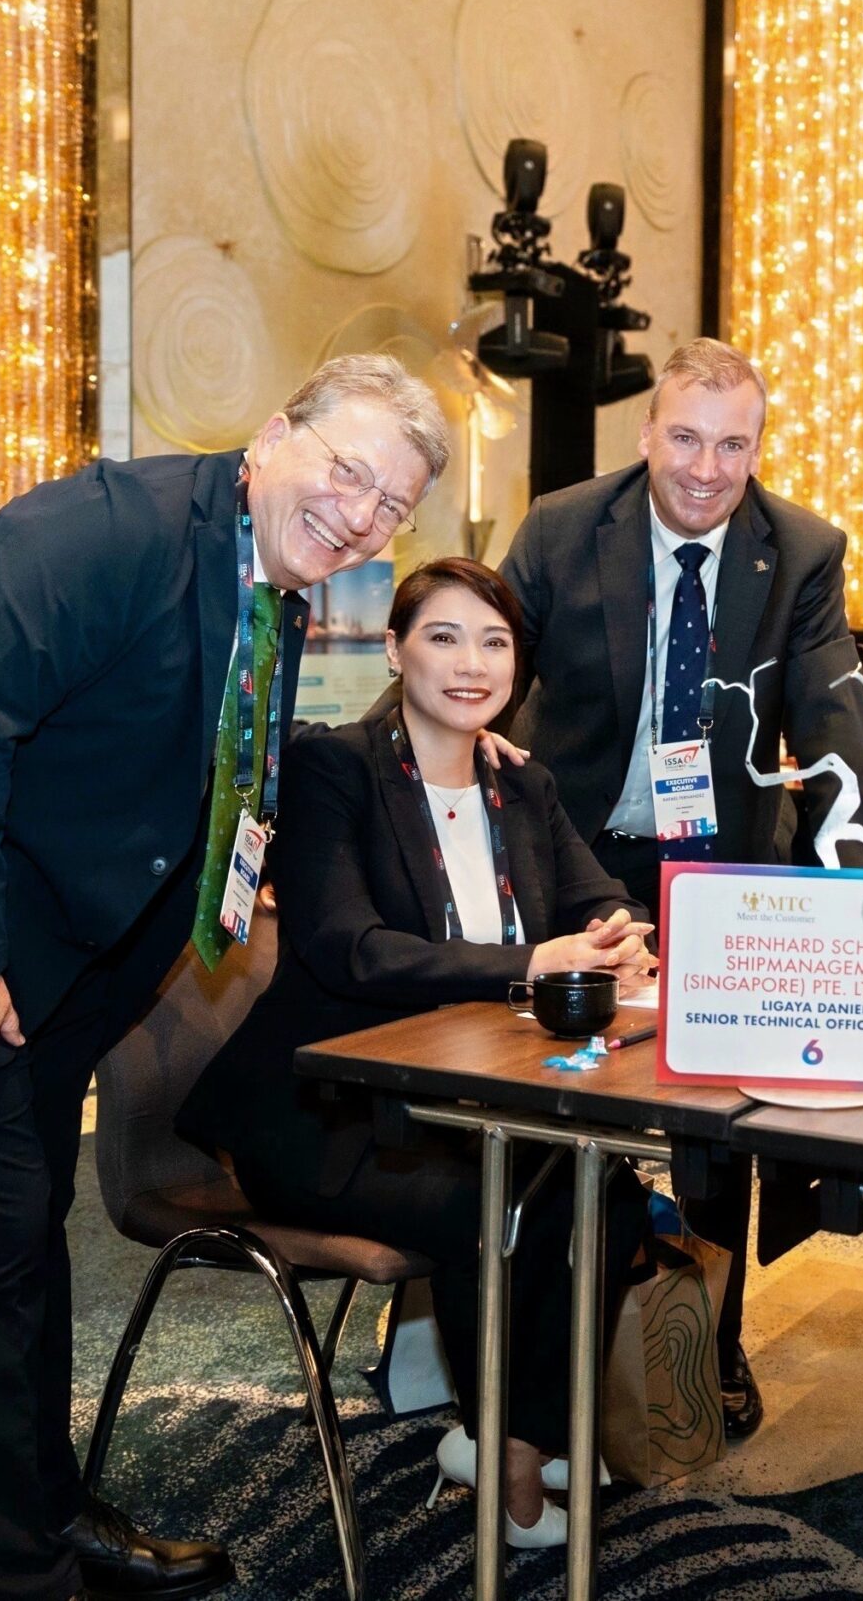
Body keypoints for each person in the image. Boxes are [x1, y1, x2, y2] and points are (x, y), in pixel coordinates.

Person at [0, 357, 450, 1601]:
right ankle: (20, 1577)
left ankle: (52, 1516)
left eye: (390, 504)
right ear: (273, 435)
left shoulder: (272, 583)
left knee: (26, 1232)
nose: (358, 515)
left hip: (53, 963)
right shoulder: (100, 532)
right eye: (347, 471)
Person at [176, 558, 654, 1549]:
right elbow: (349, 947)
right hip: (326, 1113)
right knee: (502, 1204)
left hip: (472, 1093)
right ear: (395, 651)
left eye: (494, 642)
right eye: (444, 636)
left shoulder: (522, 783)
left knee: (604, 1191)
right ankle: (514, 1470)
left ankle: (517, 1434)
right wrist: (534, 961)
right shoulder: (336, 769)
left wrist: (616, 932)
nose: (472, 663)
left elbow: (598, 897)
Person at [494, 337, 863, 1442]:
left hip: (718, 863)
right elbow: (471, 663)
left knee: (718, 1117)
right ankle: (522, 1331)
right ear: (647, 432)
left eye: (733, 445)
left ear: (758, 447)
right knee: (539, 1091)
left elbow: (831, 716)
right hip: (574, 852)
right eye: (687, 439)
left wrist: (856, 877)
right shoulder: (562, 527)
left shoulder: (801, 551)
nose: (708, 470)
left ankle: (708, 1339)